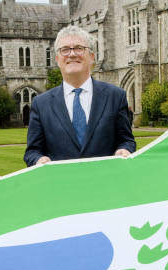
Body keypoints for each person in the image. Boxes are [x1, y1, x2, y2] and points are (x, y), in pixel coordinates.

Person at [24, 25, 136, 167]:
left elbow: (127, 140)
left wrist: (124, 149)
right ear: (57, 59)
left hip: (106, 183)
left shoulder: (115, 96)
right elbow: (32, 152)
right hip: (61, 185)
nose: (72, 54)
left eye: (79, 48)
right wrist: (38, 160)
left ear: (92, 57)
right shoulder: (41, 104)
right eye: (65, 50)